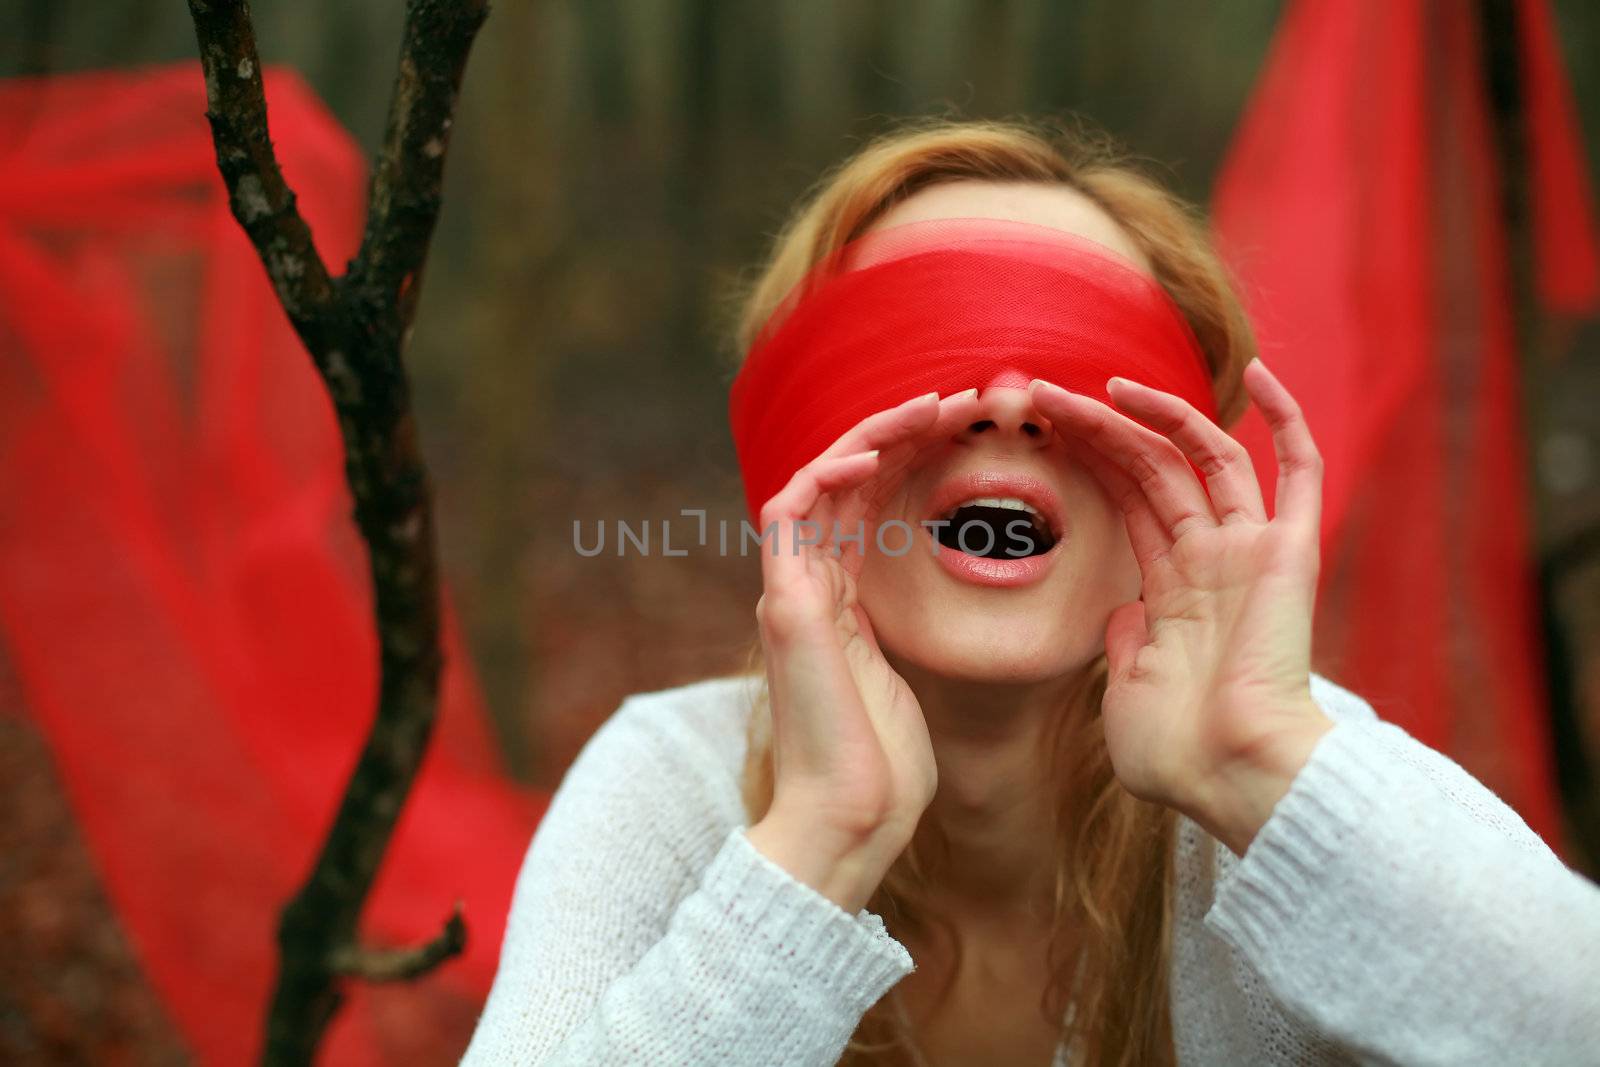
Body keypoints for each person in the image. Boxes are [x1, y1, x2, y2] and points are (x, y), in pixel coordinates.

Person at [459, 119, 1600, 1066]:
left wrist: (1257, 763)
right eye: (913, 354)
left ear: (1179, 485)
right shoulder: (677, 779)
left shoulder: (1275, 773)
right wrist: (820, 841)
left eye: (1084, 365)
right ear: (794, 468)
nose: (1006, 404)